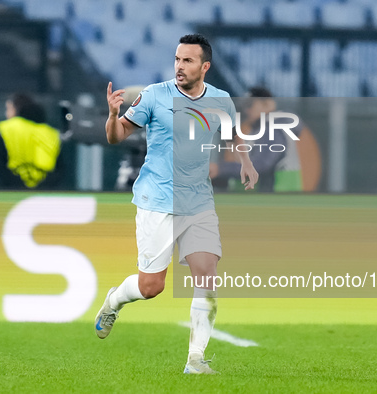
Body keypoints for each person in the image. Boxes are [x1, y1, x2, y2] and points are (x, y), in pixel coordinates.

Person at [95, 34, 258, 374]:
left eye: (187, 61)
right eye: (177, 59)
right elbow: (116, 135)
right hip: (156, 201)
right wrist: (112, 115)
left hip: (198, 201)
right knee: (150, 287)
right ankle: (115, 300)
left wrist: (246, 162)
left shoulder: (221, 100)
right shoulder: (154, 95)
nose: (180, 67)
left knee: (207, 274)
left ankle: (195, 360)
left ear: (205, 66)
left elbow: (233, 133)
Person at [210, 87, 303, 193]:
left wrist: (221, 169)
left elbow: (262, 164)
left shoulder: (275, 127)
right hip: (274, 197)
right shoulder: (261, 130)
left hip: (280, 197)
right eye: (245, 106)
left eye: (250, 105)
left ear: (267, 104)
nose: (246, 110)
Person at [0, 93, 65, 189]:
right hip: (46, 191)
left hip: (11, 190)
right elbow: (60, 169)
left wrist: (16, 186)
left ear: (16, 109)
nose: (7, 114)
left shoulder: (6, 129)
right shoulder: (52, 133)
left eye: (9, 109)